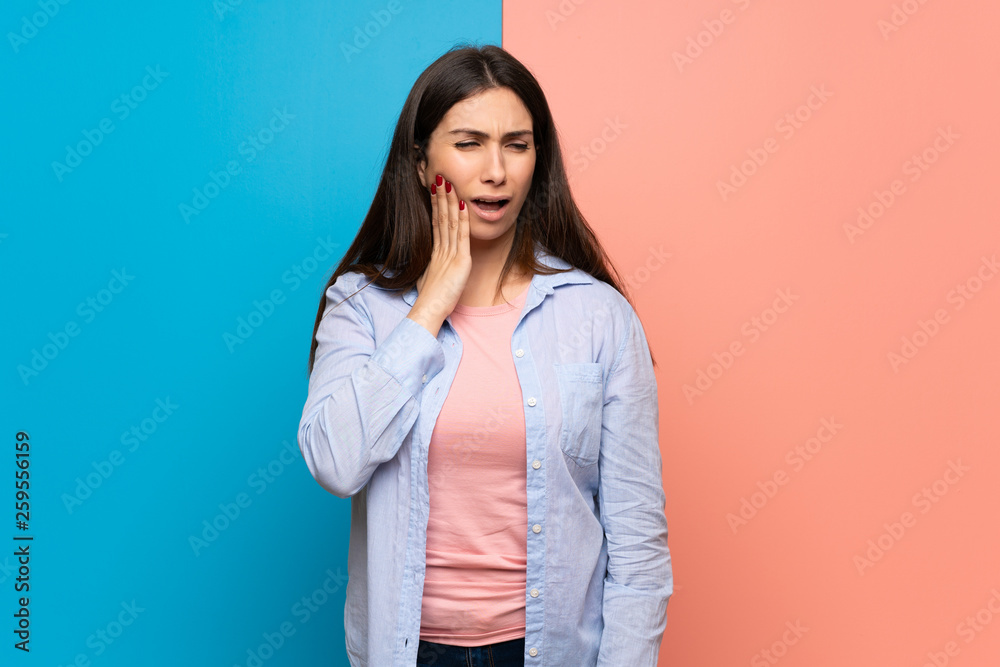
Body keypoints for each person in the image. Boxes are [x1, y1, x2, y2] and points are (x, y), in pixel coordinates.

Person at [297, 43, 673, 667]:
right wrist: (429, 307)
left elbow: (639, 548)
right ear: (422, 163)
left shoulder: (598, 317)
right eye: (469, 143)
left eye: (516, 145)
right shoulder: (362, 306)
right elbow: (335, 463)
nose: (496, 171)